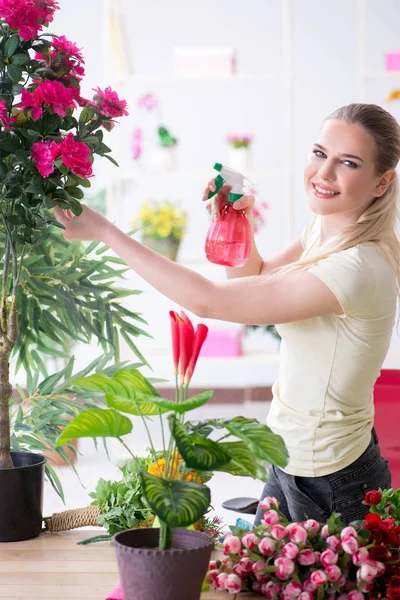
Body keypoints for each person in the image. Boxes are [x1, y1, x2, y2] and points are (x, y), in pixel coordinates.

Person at [54, 103, 400, 525]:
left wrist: (105, 232)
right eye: (318, 153)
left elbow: (211, 301)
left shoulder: (357, 267)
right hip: (292, 458)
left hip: (335, 479)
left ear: (382, 183)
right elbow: (253, 276)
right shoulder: (326, 232)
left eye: (347, 163)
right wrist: (238, 220)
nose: (324, 173)